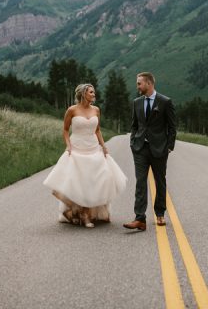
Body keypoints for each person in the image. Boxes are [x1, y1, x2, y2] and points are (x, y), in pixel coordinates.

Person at [43, 84, 127, 228]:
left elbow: (98, 130)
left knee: (100, 178)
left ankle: (91, 212)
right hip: (77, 148)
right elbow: (65, 130)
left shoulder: (96, 110)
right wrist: (68, 145)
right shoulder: (72, 110)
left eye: (94, 92)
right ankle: (83, 214)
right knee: (78, 181)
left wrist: (103, 145)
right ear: (83, 94)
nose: (94, 94)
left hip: (93, 148)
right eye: (91, 92)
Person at [124, 72, 176, 231]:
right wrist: (133, 142)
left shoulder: (165, 102)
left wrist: (169, 146)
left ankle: (160, 213)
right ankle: (140, 218)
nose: (137, 86)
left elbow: (172, 127)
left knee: (160, 181)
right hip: (140, 148)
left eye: (139, 83)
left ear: (149, 83)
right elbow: (135, 125)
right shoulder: (136, 102)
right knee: (140, 182)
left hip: (159, 149)